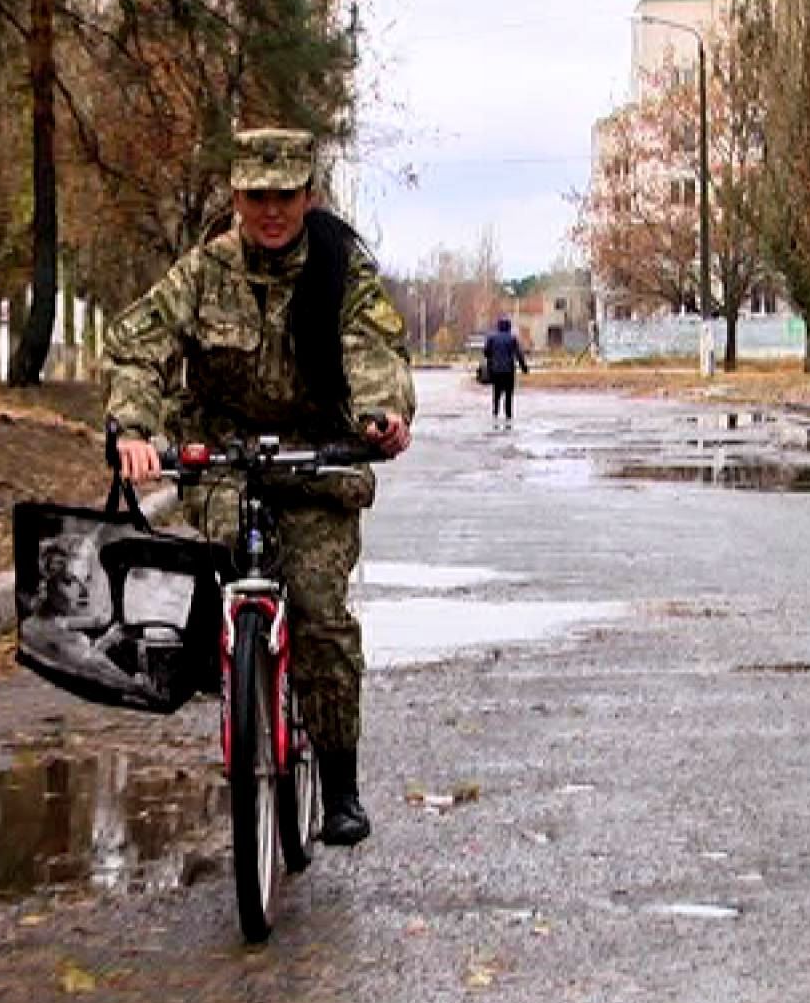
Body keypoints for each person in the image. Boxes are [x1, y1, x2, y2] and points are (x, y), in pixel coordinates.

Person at [102, 127, 416, 848]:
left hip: (317, 463)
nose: (270, 211)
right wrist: (132, 430)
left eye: (284, 196)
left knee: (316, 611)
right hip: (223, 457)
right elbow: (138, 346)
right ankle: (241, 686)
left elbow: (375, 350)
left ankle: (339, 783)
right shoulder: (205, 271)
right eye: (255, 197)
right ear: (237, 197)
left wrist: (381, 416)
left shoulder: (342, 269)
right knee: (222, 586)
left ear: (307, 195)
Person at [482, 317, 530, 423]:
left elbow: (485, 352)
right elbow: (519, 355)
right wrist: (524, 368)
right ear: (509, 327)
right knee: (509, 394)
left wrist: (492, 358)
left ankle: (495, 413)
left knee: (496, 393)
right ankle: (508, 416)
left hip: (496, 370)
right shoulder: (512, 338)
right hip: (509, 371)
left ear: (498, 326)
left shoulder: (492, 338)